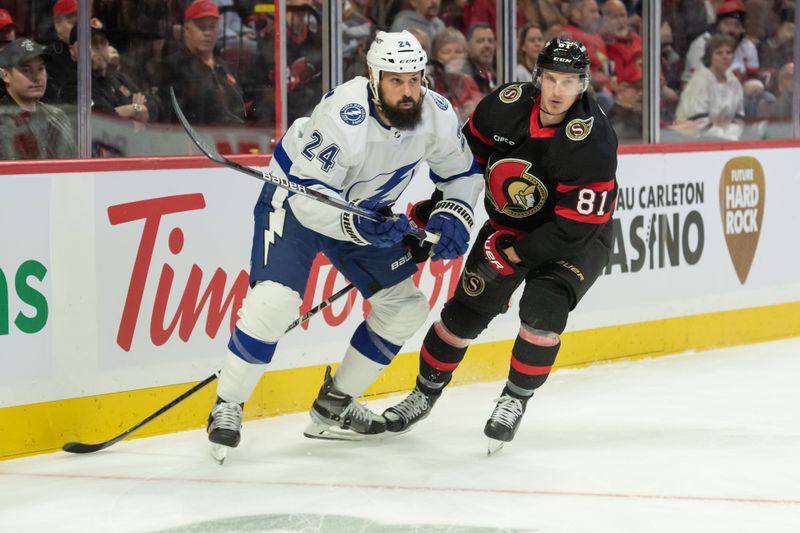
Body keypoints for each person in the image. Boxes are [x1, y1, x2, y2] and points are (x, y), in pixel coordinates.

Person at [205, 30, 483, 460]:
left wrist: (453, 214)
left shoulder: (437, 114)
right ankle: (228, 404)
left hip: (367, 215)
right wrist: (364, 228)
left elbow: (462, 174)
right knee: (274, 303)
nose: (409, 91)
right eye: (396, 80)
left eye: (415, 79)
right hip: (299, 203)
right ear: (373, 77)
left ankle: (333, 406)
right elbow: (308, 200)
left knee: (404, 307)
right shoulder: (344, 115)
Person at [382, 37, 618, 451]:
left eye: (569, 82)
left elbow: (572, 230)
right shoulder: (504, 106)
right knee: (463, 315)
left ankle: (514, 399)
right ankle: (423, 393)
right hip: (510, 223)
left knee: (542, 315)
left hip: (576, 239)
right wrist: (439, 213)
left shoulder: (593, 141)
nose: (558, 91)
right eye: (551, 79)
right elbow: (465, 165)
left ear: (583, 84)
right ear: (538, 76)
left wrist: (513, 256)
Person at [158, 0, 246, 125]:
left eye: (212, 27)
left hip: (232, 137)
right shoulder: (174, 66)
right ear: (187, 29)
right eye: (201, 27)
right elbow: (169, 114)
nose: (207, 33)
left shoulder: (223, 66)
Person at [0, 38, 76, 159]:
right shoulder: (3, 120)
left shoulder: (56, 117)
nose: (37, 77)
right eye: (26, 70)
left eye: (41, 69)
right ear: (5, 75)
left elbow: (71, 168)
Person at [675, 34, 744, 141]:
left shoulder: (734, 82)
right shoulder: (700, 80)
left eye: (729, 52)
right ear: (710, 56)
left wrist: (731, 135)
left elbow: (738, 117)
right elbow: (698, 120)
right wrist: (722, 137)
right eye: (719, 53)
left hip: (726, 139)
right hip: (692, 140)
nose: (725, 56)